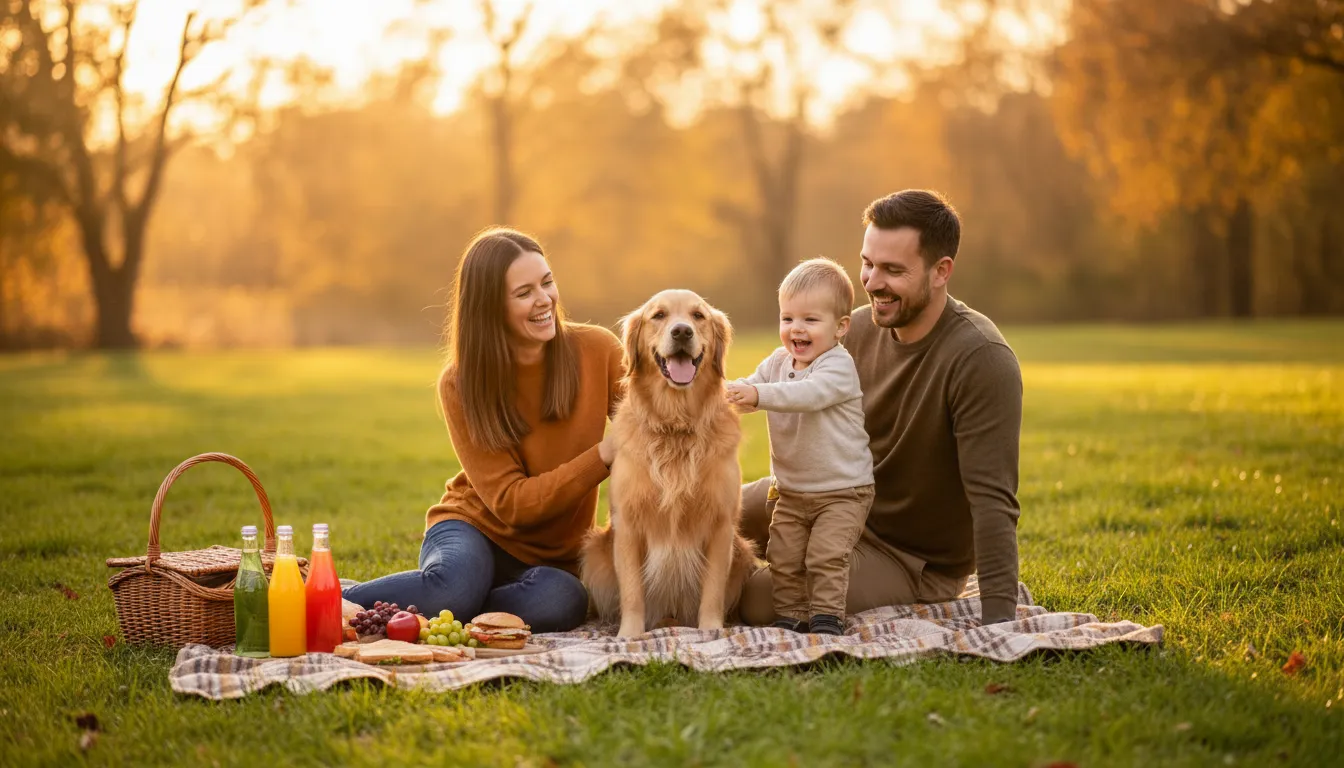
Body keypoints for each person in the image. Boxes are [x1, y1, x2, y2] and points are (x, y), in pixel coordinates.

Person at [738, 190, 1024, 627]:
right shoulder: (852, 329)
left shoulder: (980, 359)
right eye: (868, 264)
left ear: (941, 271)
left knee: (761, 600)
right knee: (700, 510)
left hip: (908, 556)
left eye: (893, 270)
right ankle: (602, 581)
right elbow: (780, 377)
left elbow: (993, 502)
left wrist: (1002, 624)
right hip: (822, 493)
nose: (871, 283)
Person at [343, 227, 623, 633]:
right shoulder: (460, 383)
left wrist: (733, 388)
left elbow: (651, 407)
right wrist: (602, 457)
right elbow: (513, 504)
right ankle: (327, 596)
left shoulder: (597, 349)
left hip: (550, 558)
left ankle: (470, 599)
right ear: (491, 306)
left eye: (547, 282)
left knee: (563, 601)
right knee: (451, 592)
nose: (544, 300)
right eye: (524, 292)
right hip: (473, 528)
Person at [725, 258, 874, 636]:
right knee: (784, 556)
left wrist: (757, 395)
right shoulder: (778, 362)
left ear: (841, 327)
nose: (796, 329)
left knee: (826, 556)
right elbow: (753, 383)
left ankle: (826, 618)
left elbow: (805, 395)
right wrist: (725, 394)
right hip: (791, 490)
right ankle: (791, 617)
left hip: (842, 492)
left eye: (810, 320)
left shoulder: (837, 367)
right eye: (787, 318)